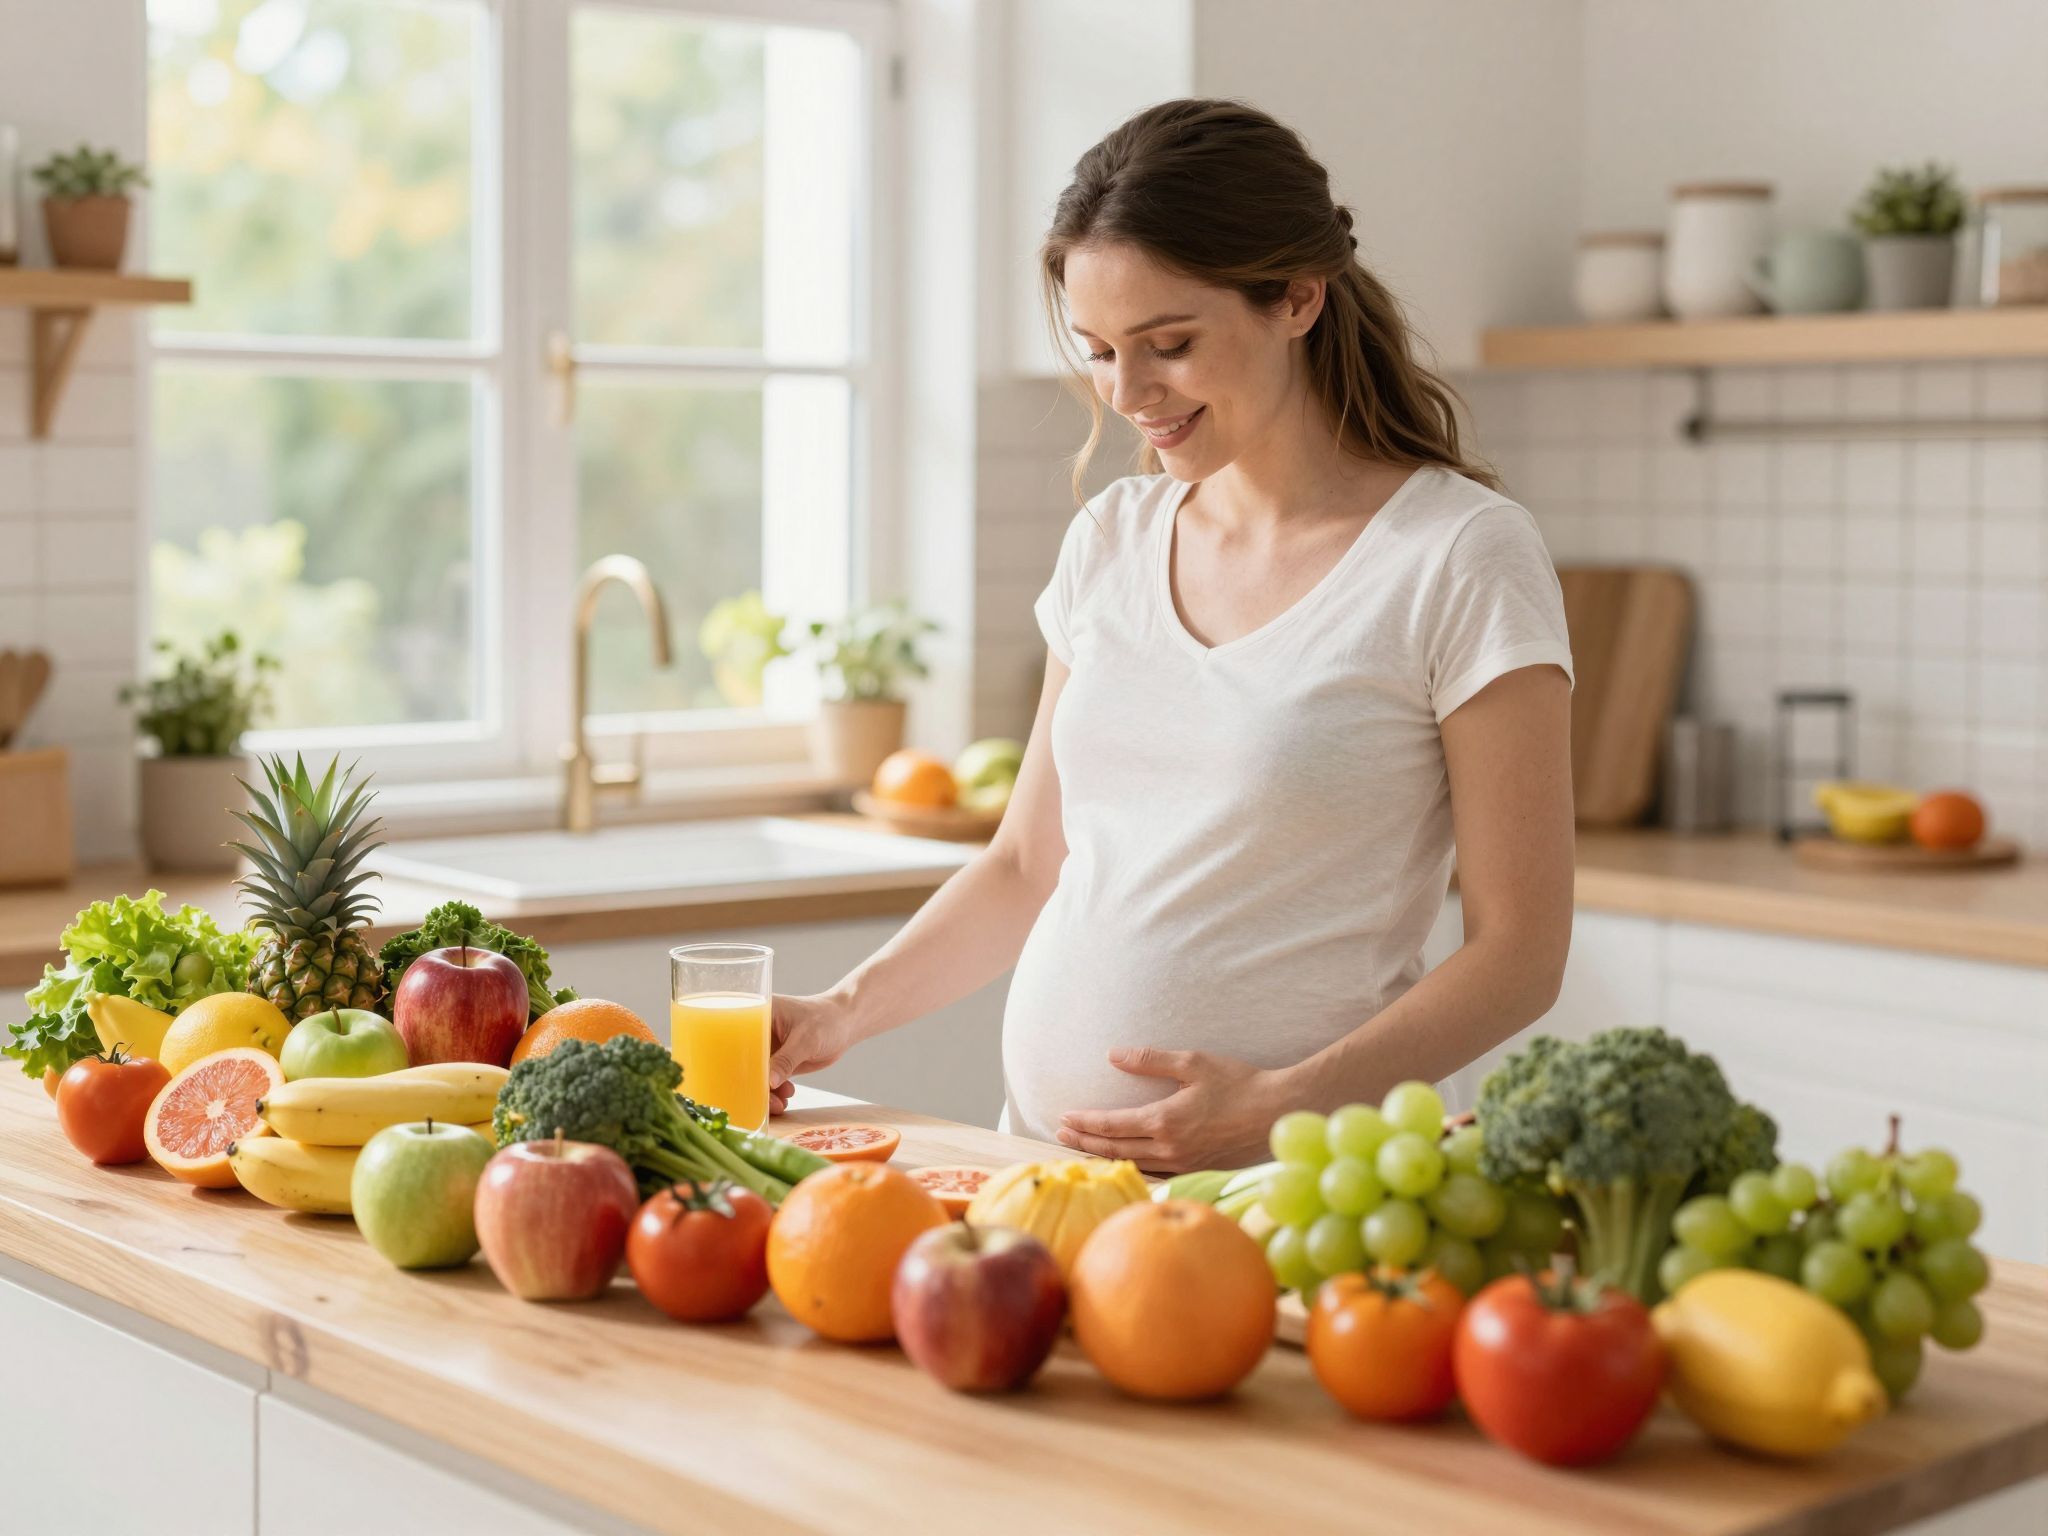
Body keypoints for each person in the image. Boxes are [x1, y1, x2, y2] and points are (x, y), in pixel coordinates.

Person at [768, 99, 1575, 1173]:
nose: (1127, 394)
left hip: (1293, 1185)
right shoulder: (1113, 536)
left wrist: (1282, 1105)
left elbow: (1521, 953)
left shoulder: (1457, 554)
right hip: (1046, 1177)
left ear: (1297, 297)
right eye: (1100, 351)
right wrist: (840, 1010)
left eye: (1170, 345)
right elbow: (1025, 865)